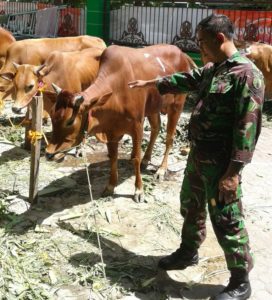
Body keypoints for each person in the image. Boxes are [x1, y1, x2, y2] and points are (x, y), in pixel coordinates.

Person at [129, 14, 264, 300]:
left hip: (222, 164)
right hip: (199, 156)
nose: (199, 49)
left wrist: (233, 173)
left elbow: (247, 128)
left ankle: (241, 280)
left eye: (201, 43)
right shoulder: (215, 69)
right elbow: (189, 78)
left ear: (219, 39)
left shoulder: (247, 75)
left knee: (227, 218)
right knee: (190, 206)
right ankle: (188, 252)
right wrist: (152, 82)